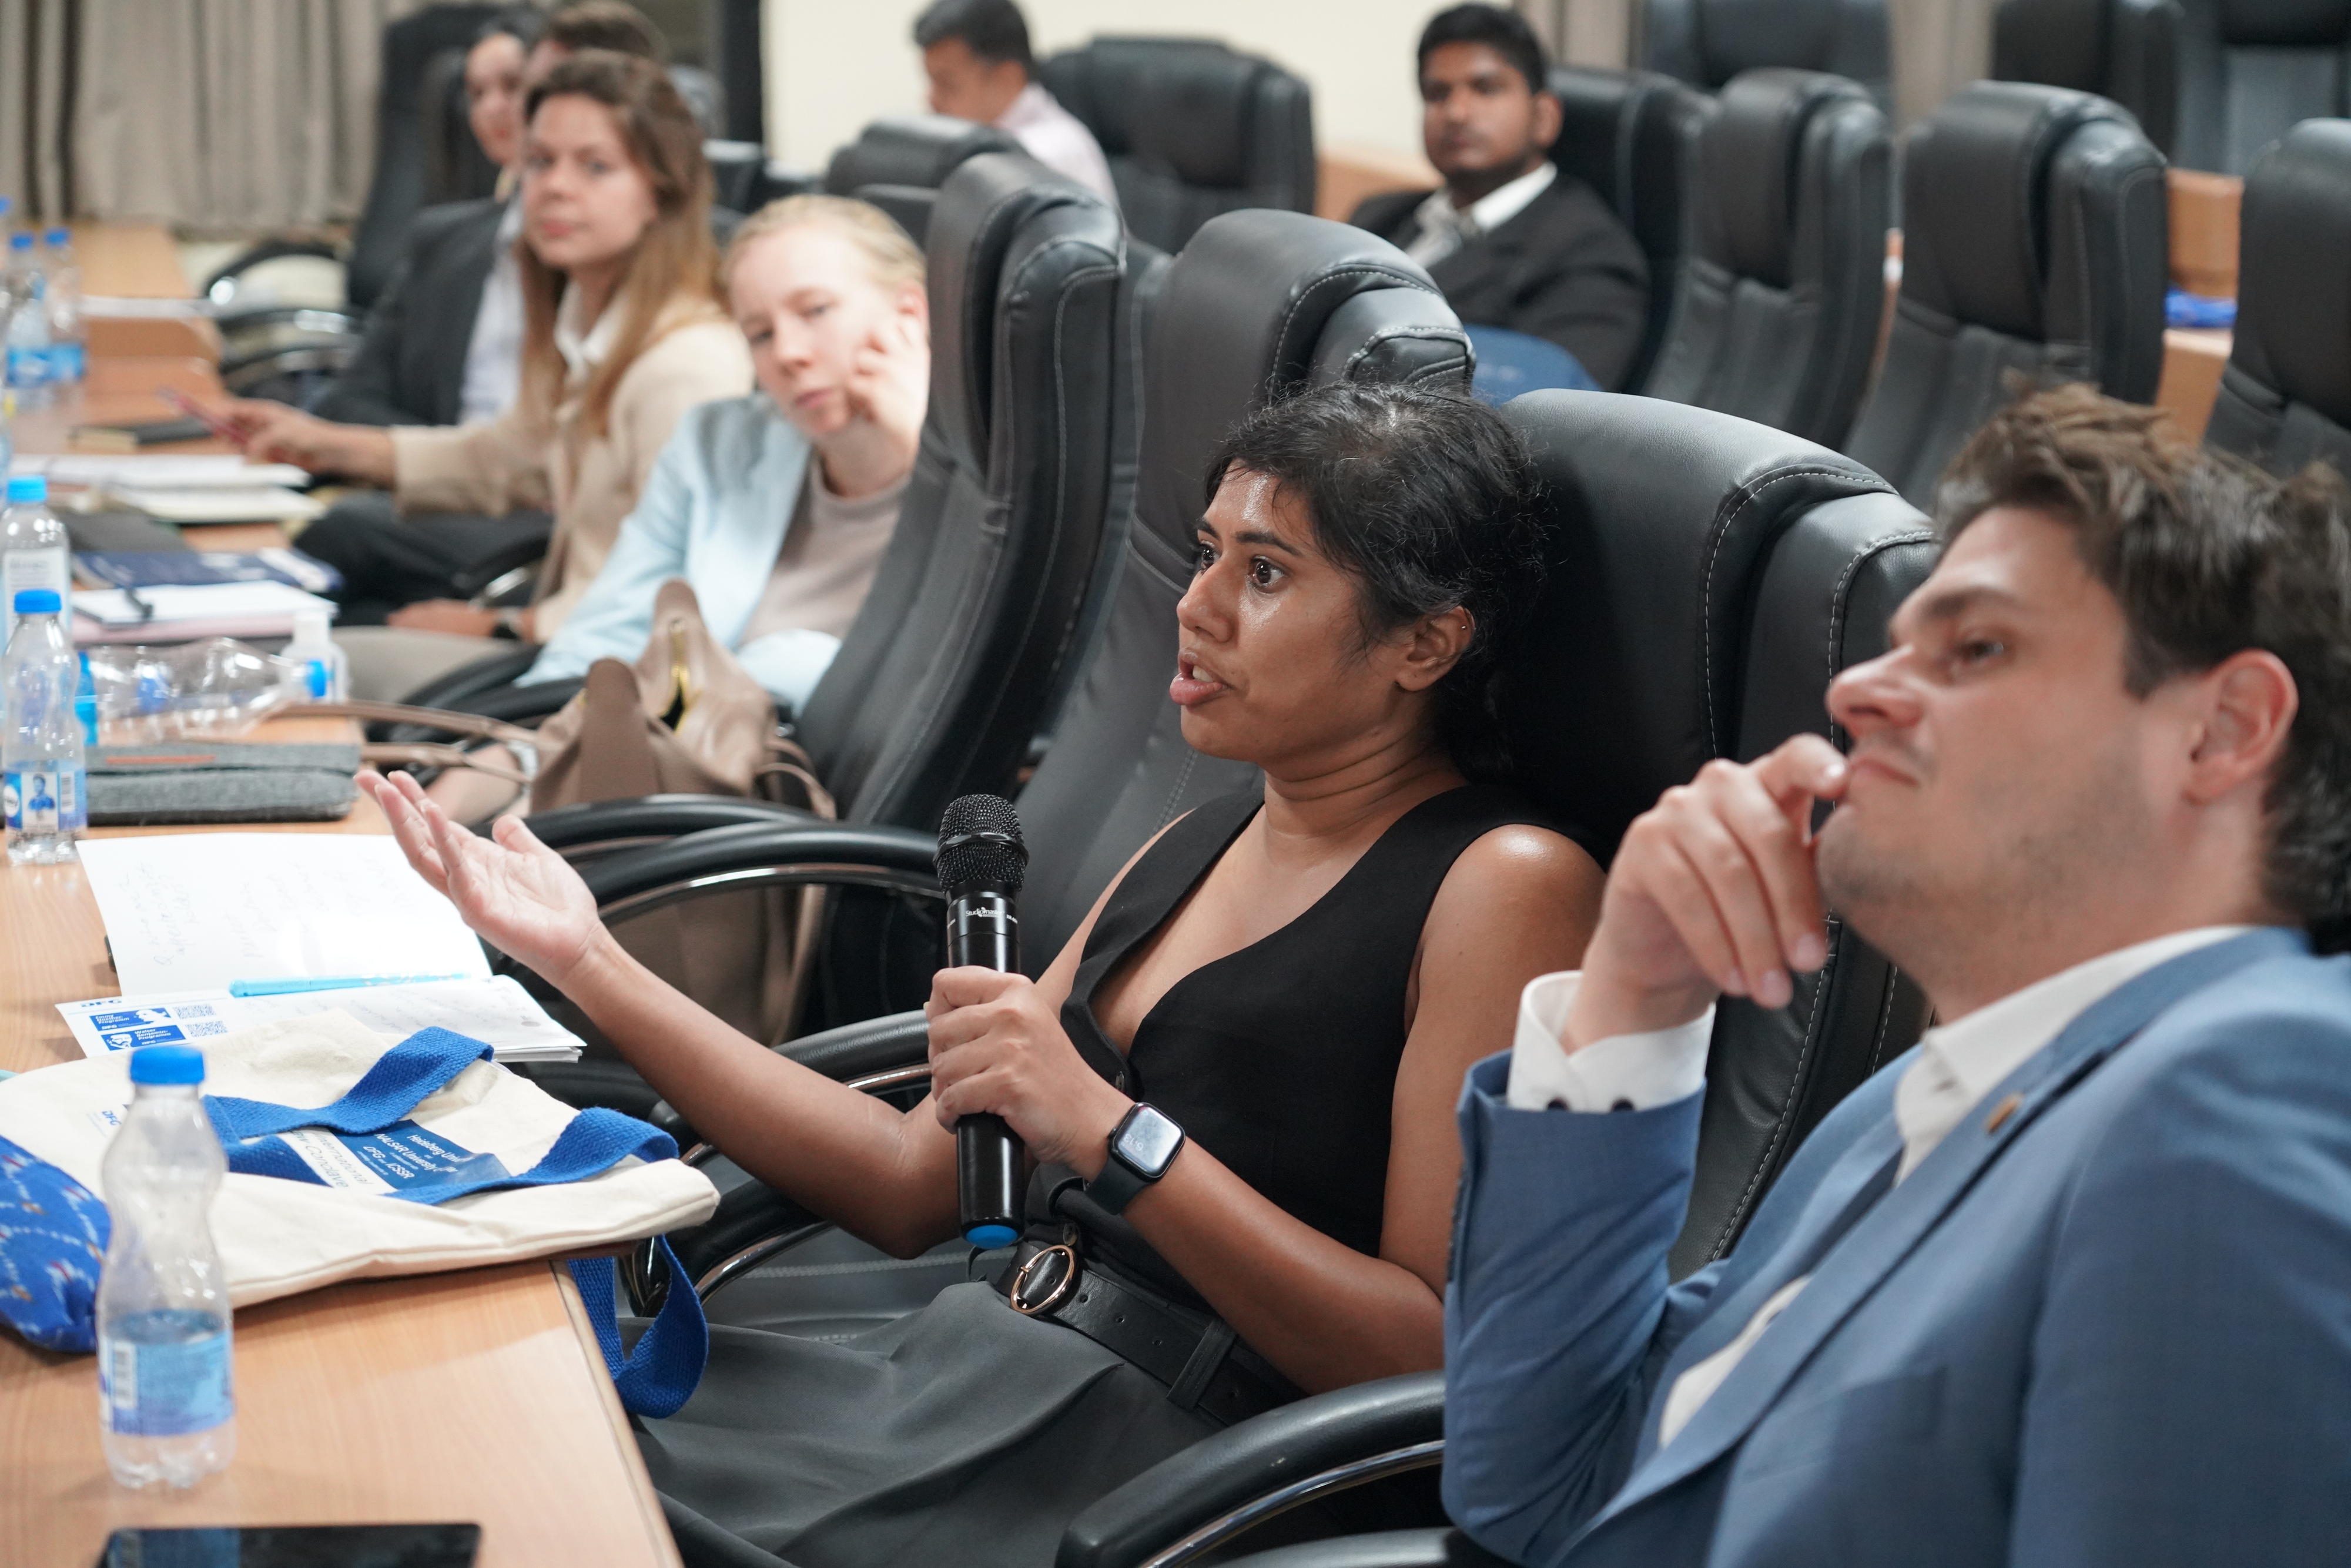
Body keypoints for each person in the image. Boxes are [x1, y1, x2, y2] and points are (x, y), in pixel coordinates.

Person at [359, 382, 1606, 1567]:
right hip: (965, 1361)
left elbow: (1430, 1357)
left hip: (1150, 1463)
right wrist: (585, 956)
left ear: (1424, 643)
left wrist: (1117, 1135)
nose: (1198, 603)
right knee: (469, 1428)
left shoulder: (1505, 881)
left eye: (1267, 572)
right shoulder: (1209, 831)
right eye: (1208, 549)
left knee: (527, 1504)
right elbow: (913, 1181)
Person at [1443, 386, 2351, 1566]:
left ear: (2222, 728)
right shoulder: (1907, 1104)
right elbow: (1536, 1490)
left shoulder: (2245, 1088)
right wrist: (1631, 1000)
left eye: (1974, 647)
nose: (1853, 691)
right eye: (1896, 643)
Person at [210, 52, 752, 698]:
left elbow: (680, 595)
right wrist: (325, 443)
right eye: (541, 161)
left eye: (596, 167)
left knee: (303, 672)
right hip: (561, 643)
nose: (554, 187)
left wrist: (502, 625)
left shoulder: (684, 366)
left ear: (662, 191)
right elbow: (513, 454)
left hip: (601, 677)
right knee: (313, 629)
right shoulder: (587, 312)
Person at [518, 193, 928, 716]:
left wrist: (921, 452)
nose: (787, 353)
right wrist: (494, 764)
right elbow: (600, 647)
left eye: (816, 311)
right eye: (759, 334)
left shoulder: (998, 479)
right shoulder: (717, 445)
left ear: (909, 314)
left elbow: (981, 674)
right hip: (660, 767)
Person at [1349, 5, 1648, 391]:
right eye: (1437, 94)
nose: (1456, 113)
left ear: (1544, 117)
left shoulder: (1590, 255)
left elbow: (1548, 416)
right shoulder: (1378, 215)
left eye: (1485, 89)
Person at [313, 8, 551, 431]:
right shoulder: (442, 239)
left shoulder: (585, 242)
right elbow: (349, 398)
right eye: (476, 93)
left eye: (513, 86)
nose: (492, 108)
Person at [913, 0, 1118, 207]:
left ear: (1007, 78)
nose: (931, 99)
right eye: (931, 81)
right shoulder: (981, 144)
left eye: (948, 85)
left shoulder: (1046, 156)